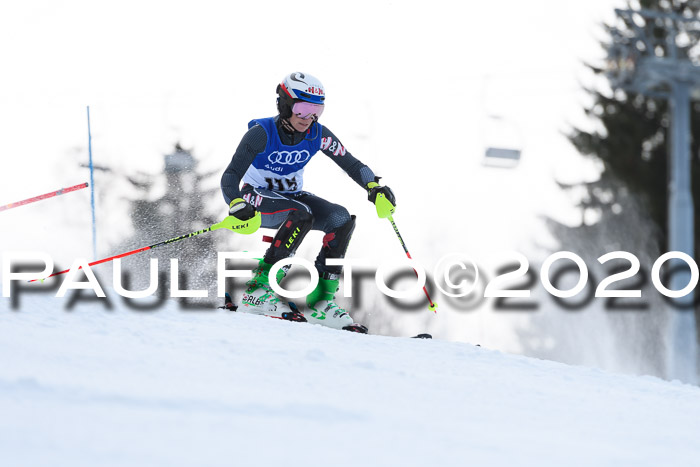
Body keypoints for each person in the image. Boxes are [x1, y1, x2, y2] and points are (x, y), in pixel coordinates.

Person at [221, 72, 396, 331]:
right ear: (284, 105)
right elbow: (231, 176)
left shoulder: (318, 134)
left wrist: (374, 187)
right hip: (254, 197)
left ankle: (320, 303)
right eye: (302, 109)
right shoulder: (261, 133)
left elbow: (351, 163)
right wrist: (236, 203)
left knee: (341, 219)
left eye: (317, 110)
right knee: (301, 213)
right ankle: (257, 291)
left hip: (291, 198)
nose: (309, 118)